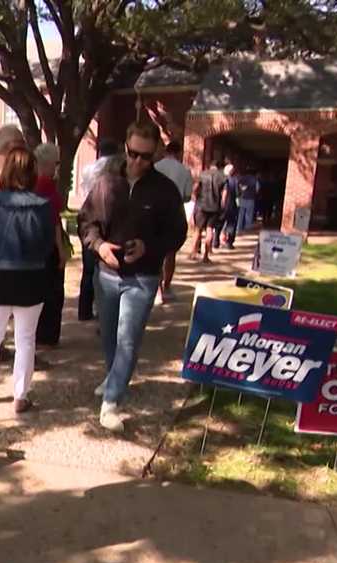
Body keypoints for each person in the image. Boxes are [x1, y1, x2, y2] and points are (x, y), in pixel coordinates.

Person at [78, 119, 187, 432]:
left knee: (129, 338)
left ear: (156, 155)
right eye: (133, 153)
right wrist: (99, 246)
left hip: (143, 278)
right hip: (106, 275)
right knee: (110, 336)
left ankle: (111, 400)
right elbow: (86, 221)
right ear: (125, 147)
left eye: (146, 156)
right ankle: (114, 375)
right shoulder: (106, 182)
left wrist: (149, 247)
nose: (138, 161)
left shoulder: (164, 190)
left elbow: (177, 233)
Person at [0, 148, 56, 414]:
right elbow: (47, 245)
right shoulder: (43, 206)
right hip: (31, 277)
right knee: (26, 340)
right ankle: (20, 395)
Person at [78, 139, 121, 322]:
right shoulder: (116, 168)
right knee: (105, 271)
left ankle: (84, 310)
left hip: (88, 217)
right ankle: (102, 310)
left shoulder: (89, 169)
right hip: (106, 220)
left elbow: (82, 191)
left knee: (88, 270)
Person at [31, 142, 69, 348]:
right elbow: (54, 220)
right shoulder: (46, 185)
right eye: (55, 163)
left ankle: (40, 332)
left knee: (41, 289)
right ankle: (47, 334)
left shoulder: (33, 183)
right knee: (53, 290)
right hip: (48, 244)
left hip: (36, 244)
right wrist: (61, 250)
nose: (57, 167)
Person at [153, 140, 193, 304]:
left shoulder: (155, 167)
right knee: (170, 253)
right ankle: (167, 286)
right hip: (175, 212)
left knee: (155, 253)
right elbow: (188, 196)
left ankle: (157, 289)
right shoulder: (184, 170)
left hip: (154, 211)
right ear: (178, 153)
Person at [190, 158, 227, 263]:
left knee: (198, 230)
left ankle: (193, 253)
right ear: (220, 167)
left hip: (202, 205)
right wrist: (222, 206)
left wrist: (195, 198)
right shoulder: (223, 177)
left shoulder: (203, 174)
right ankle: (206, 256)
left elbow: (195, 188)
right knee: (210, 230)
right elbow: (224, 195)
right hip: (214, 207)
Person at [215, 163, 240, 250]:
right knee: (231, 225)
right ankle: (229, 243)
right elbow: (237, 194)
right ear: (232, 171)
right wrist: (238, 205)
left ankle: (216, 242)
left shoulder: (220, 179)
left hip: (221, 205)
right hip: (232, 205)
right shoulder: (235, 181)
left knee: (219, 224)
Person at [235, 164, 261, 234]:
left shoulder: (241, 178)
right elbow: (257, 189)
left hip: (242, 198)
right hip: (251, 198)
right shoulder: (255, 180)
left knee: (240, 214)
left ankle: (238, 228)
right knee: (249, 214)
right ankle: (247, 228)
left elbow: (237, 187)